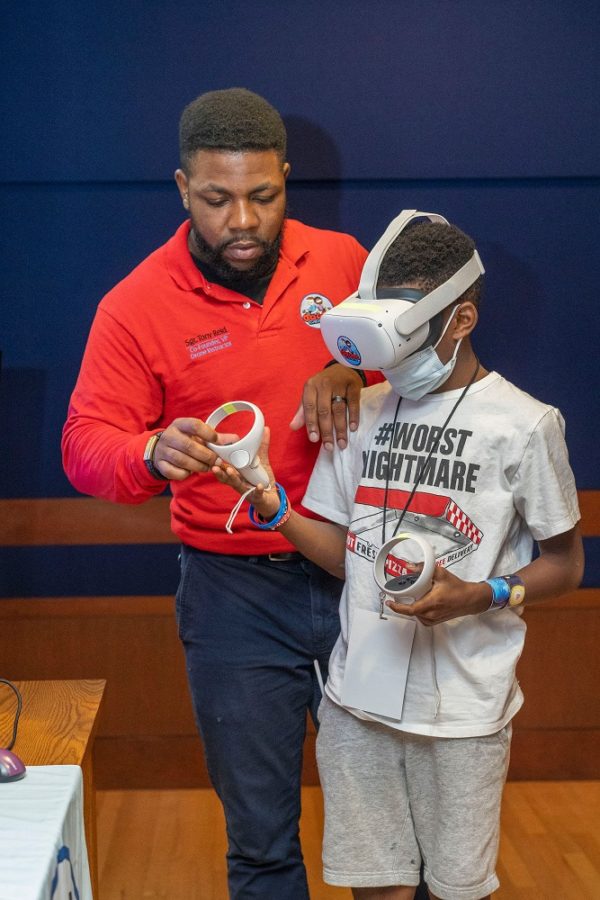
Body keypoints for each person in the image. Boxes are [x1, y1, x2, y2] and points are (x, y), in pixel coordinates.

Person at [212, 212, 584, 900]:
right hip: (357, 706)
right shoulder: (362, 414)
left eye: (411, 333)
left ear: (462, 319)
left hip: (463, 716)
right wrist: (274, 508)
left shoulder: (527, 426)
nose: (392, 353)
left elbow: (566, 564)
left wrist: (483, 595)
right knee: (375, 888)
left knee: (453, 889)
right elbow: (341, 557)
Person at [62, 87, 376, 899]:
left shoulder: (343, 259)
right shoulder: (134, 306)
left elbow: (420, 367)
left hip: (362, 575)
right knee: (263, 844)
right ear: (180, 189)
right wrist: (148, 449)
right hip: (233, 595)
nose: (242, 220)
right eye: (217, 199)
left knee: (391, 829)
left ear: (286, 181)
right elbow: (84, 446)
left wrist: (355, 368)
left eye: (262, 196)